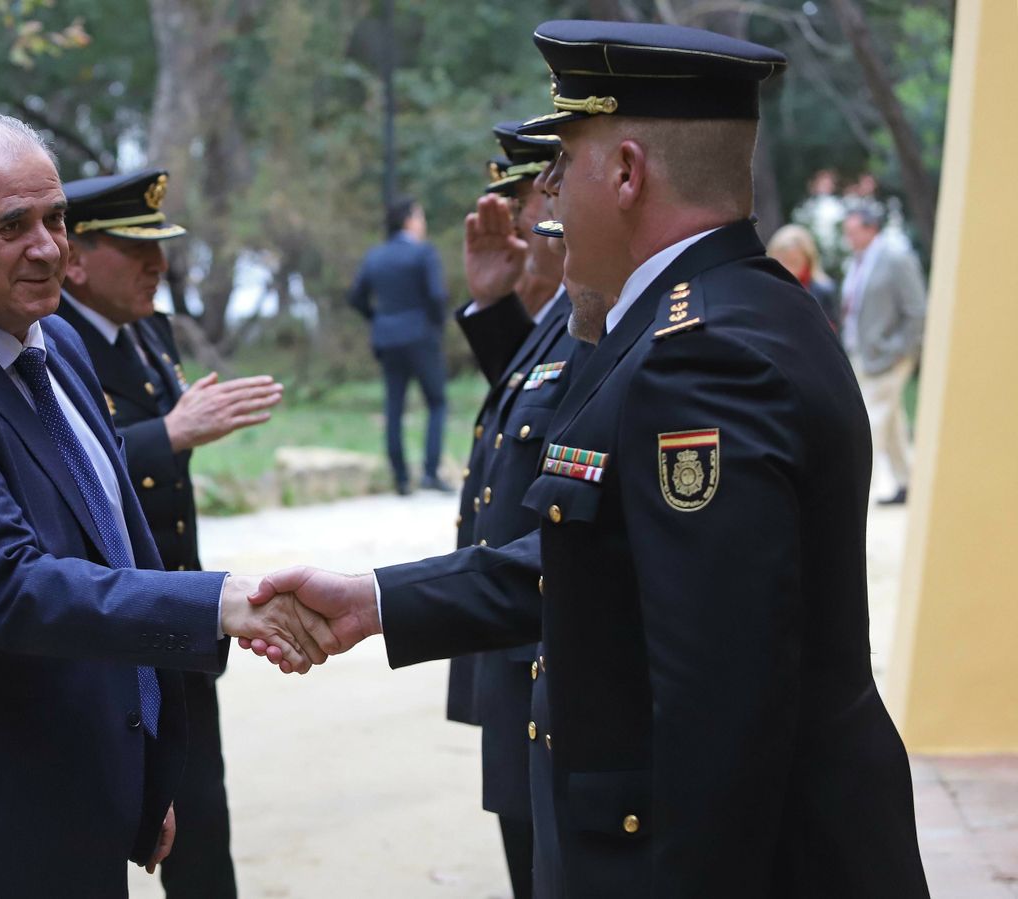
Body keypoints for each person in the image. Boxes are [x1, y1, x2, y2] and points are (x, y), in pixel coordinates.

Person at [247, 20, 930, 899]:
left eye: (565, 163)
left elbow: (720, 704)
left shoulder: (702, 356)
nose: (549, 195)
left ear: (628, 173)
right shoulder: (717, 312)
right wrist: (377, 600)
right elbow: (599, 554)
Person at [0, 115, 325, 896]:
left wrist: (139, 768)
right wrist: (220, 602)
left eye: (56, 219)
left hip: (63, 784)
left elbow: (109, 545)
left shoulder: (55, 345)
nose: (49, 248)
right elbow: (11, 586)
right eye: (14, 226)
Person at [55, 168, 283, 899]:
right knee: (90, 829)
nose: (157, 264)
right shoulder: (50, 342)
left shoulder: (147, 330)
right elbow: (63, 471)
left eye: (159, 247)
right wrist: (169, 434)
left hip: (177, 614)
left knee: (201, 816)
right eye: (135, 248)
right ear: (75, 260)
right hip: (106, 619)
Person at [443, 119, 586, 899]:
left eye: (523, 198)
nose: (515, 219)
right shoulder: (562, 312)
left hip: (539, 648)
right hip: (514, 644)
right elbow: (528, 412)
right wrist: (497, 306)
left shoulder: (595, 311)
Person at [348, 195, 450, 495]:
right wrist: (436, 325)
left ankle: (401, 479)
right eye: (420, 217)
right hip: (421, 336)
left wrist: (379, 319)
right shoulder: (424, 253)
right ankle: (430, 472)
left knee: (394, 407)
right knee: (437, 402)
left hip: (387, 339)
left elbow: (355, 297)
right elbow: (436, 295)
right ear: (408, 220)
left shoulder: (375, 256)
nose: (423, 223)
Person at [840, 204, 926, 505]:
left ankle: (858, 493)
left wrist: (900, 350)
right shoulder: (856, 262)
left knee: (870, 423)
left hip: (890, 357)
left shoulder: (895, 259)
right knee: (891, 423)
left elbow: (917, 310)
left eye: (853, 231)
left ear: (871, 228)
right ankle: (906, 483)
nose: (848, 237)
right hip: (863, 355)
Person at [766, 223, 841, 329]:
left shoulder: (824, 291)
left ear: (808, 260)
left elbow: (832, 332)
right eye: (783, 262)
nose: (788, 269)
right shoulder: (766, 290)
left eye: (794, 262)